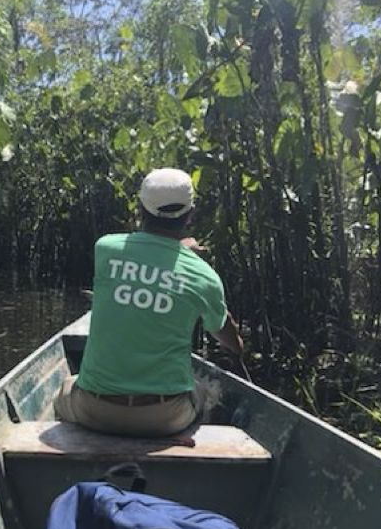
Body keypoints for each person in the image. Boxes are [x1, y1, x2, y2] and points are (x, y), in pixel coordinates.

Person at [54, 167, 244, 437]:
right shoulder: (204, 276)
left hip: (94, 411)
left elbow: (149, 257)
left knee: (65, 388)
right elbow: (230, 342)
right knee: (204, 391)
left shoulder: (105, 248)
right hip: (165, 418)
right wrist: (238, 347)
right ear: (190, 215)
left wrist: (176, 251)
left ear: (141, 210)